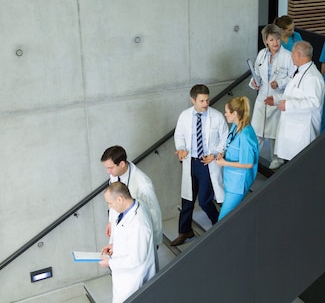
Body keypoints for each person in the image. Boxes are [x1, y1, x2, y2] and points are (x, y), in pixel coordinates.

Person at [171, 84, 228, 246]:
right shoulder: (185, 116)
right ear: (193, 100)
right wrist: (181, 149)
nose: (205, 104)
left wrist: (215, 153)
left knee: (204, 200)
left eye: (207, 100)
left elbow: (225, 138)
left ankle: (219, 225)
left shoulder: (216, 117)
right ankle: (184, 231)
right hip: (191, 162)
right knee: (187, 200)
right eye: (202, 100)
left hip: (207, 164)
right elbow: (179, 135)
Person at [100, 145, 163, 269]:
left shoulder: (143, 185)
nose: (108, 172)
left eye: (110, 168)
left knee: (136, 264)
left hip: (136, 232)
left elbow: (154, 214)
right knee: (119, 261)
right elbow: (114, 199)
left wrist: (155, 242)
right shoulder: (115, 174)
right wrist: (111, 221)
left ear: (122, 164)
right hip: (121, 227)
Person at [99, 182, 156, 303]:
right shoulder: (129, 210)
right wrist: (115, 245)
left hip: (133, 279)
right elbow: (129, 238)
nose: (110, 207)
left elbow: (136, 259)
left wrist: (110, 263)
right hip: (125, 275)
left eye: (110, 203)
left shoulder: (139, 223)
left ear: (120, 199)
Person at [265, 40, 325, 162]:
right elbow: (293, 94)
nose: (291, 56)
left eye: (292, 54)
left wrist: (287, 105)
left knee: (301, 163)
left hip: (303, 130)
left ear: (298, 54)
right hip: (293, 128)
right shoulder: (300, 71)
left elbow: (313, 103)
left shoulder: (312, 77)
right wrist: (277, 99)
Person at [249, 24, 296, 170]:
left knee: (275, 132)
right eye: (271, 39)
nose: (275, 42)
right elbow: (256, 73)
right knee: (256, 131)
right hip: (262, 97)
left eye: (277, 39)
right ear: (266, 41)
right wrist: (253, 83)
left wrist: (280, 83)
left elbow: (293, 79)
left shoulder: (287, 56)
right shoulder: (262, 54)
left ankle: (277, 158)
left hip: (277, 98)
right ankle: (252, 158)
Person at [215, 96, 260, 219]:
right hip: (231, 179)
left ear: (234, 113)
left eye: (227, 112)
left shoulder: (245, 135)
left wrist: (224, 163)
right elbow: (230, 143)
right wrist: (224, 153)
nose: (225, 114)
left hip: (238, 184)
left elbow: (248, 164)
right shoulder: (236, 126)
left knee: (222, 220)